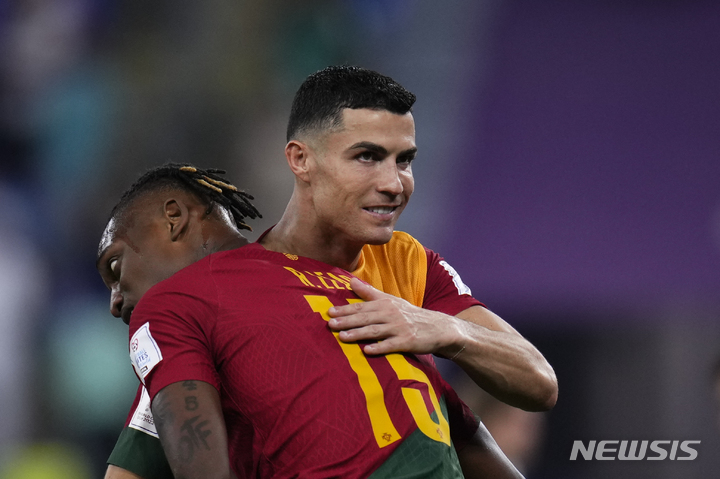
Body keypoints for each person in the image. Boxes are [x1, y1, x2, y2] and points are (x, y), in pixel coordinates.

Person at [105, 65, 556, 478]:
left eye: (404, 160)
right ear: (300, 159)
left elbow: (537, 383)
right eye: (367, 156)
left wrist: (442, 329)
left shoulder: (410, 263)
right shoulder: (207, 304)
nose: (393, 183)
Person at [97, 164, 524, 478]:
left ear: (174, 217)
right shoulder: (341, 288)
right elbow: (467, 437)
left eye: (115, 267)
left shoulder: (171, 308)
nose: (116, 302)